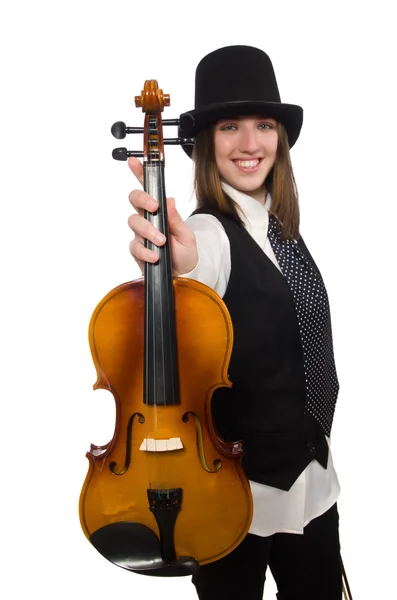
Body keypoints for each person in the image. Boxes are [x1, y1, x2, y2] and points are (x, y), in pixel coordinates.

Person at [127, 45, 343, 600]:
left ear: (281, 138)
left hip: (314, 482)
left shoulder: (281, 229)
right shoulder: (209, 235)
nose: (251, 145)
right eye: (231, 128)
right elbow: (196, 269)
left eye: (264, 125)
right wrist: (176, 269)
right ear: (204, 144)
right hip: (236, 499)